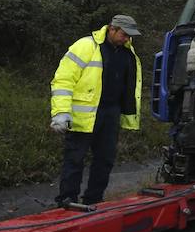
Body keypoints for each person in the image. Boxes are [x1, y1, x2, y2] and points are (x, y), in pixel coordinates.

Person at [50, 15, 143, 206]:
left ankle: (94, 200)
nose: (126, 39)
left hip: (111, 114)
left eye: (129, 36)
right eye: (124, 34)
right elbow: (63, 80)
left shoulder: (127, 53)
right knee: (74, 159)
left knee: (105, 160)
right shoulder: (86, 46)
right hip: (84, 116)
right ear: (111, 29)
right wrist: (60, 112)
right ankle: (67, 202)